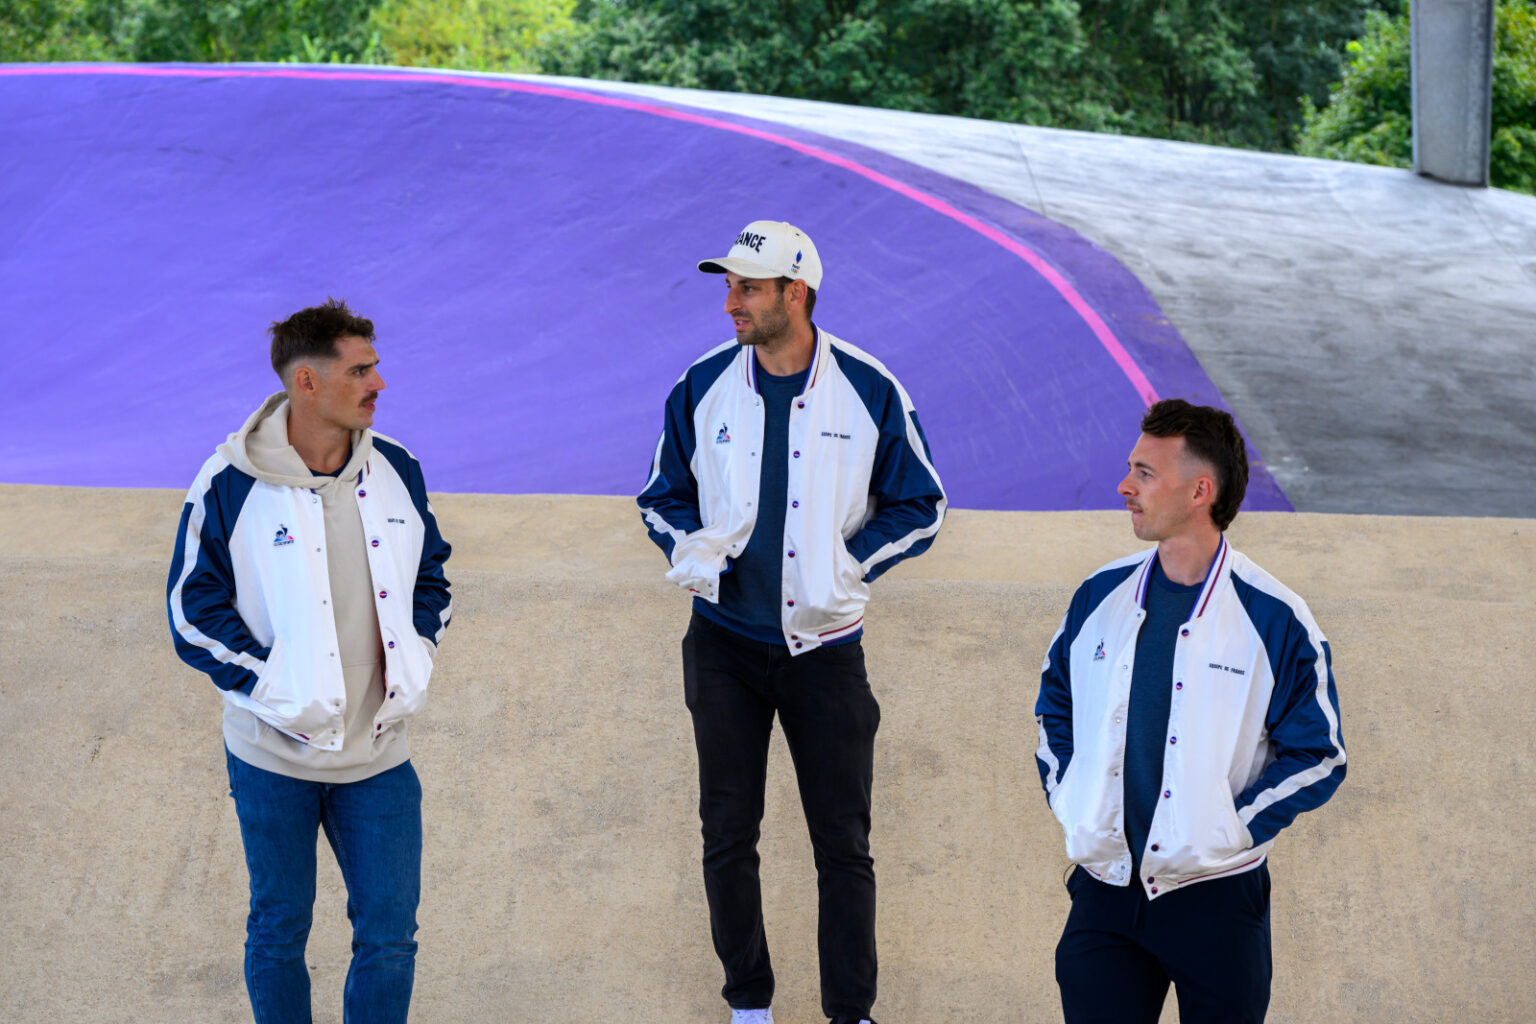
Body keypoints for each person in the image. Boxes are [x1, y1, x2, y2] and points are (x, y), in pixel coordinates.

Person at [638, 220, 946, 1024]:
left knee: (843, 847)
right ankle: (749, 1006)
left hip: (826, 653)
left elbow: (922, 504)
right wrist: (691, 547)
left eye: (748, 287)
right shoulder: (701, 385)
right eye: (729, 286)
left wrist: (847, 566)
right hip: (724, 648)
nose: (730, 301)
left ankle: (851, 1013)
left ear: (795, 294)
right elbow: (660, 496)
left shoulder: (869, 388)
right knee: (727, 835)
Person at [167, 298, 452, 1023]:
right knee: (278, 932)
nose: (378, 383)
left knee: (389, 938)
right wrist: (275, 685)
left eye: (376, 366)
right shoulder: (228, 482)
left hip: (379, 759)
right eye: (360, 370)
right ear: (306, 383)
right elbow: (190, 611)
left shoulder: (397, 470)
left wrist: (416, 651)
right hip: (271, 758)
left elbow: (432, 576)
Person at [1033, 398, 1346, 1023]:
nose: (1125, 487)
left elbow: (1320, 755)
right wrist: (1072, 799)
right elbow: (1053, 708)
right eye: (1131, 468)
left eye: (1146, 473)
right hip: (1104, 895)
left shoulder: (1276, 617)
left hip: (1217, 901)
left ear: (1201, 490)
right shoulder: (1098, 595)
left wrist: (1226, 830)